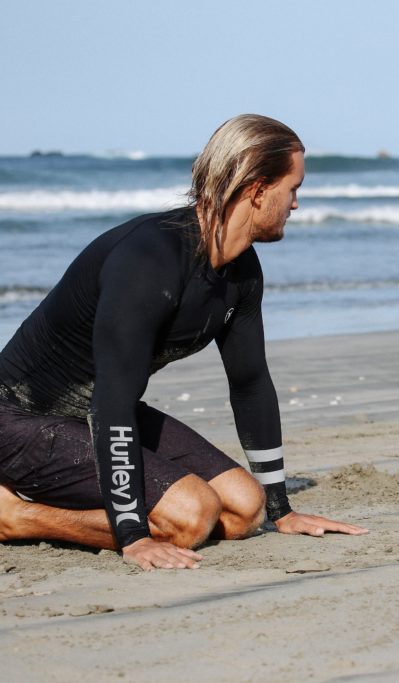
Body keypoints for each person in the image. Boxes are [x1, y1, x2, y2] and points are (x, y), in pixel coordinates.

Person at [0, 114, 367, 571]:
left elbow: (250, 383)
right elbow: (114, 399)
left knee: (243, 509)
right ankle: (15, 515)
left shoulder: (242, 271)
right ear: (256, 189)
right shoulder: (148, 260)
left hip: (98, 411)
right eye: (292, 188)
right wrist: (131, 534)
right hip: (19, 418)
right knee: (193, 518)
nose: (296, 203)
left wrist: (281, 509)